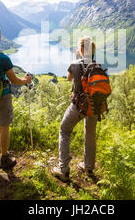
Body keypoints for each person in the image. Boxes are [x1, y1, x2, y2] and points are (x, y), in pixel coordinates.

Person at [0, 24, 32, 171]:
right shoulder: (3, 57)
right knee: (4, 127)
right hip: (2, 97)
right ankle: (4, 159)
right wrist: (25, 81)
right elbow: (14, 80)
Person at [52, 36, 98, 182]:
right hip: (94, 106)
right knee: (90, 135)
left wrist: (76, 58)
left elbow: (69, 78)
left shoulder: (75, 63)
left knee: (64, 131)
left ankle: (63, 169)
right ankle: (88, 167)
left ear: (81, 49)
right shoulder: (97, 65)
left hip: (78, 106)